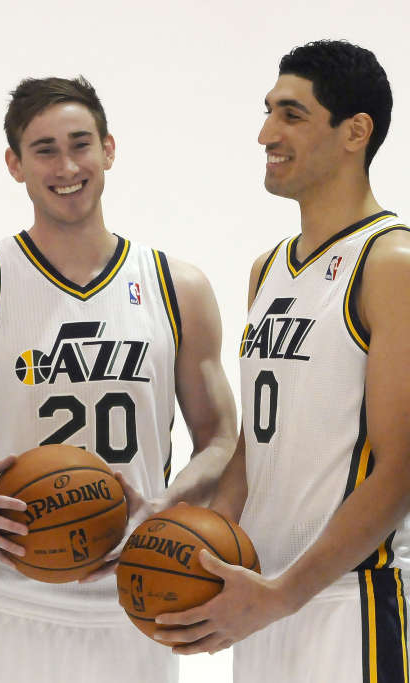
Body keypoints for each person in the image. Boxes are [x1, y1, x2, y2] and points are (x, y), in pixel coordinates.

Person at [0, 76, 238, 683]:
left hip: (138, 603)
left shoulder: (178, 287)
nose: (66, 167)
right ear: (15, 165)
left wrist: (167, 504)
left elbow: (221, 438)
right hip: (10, 600)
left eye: (80, 144)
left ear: (109, 149)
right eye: (44, 150)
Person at [153, 40, 410, 682]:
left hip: (354, 603)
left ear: (355, 132)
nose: (266, 133)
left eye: (291, 115)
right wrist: (197, 544)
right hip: (263, 602)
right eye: (267, 111)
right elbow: (257, 447)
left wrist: (283, 594)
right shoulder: (267, 270)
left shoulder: (390, 265)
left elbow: (401, 470)